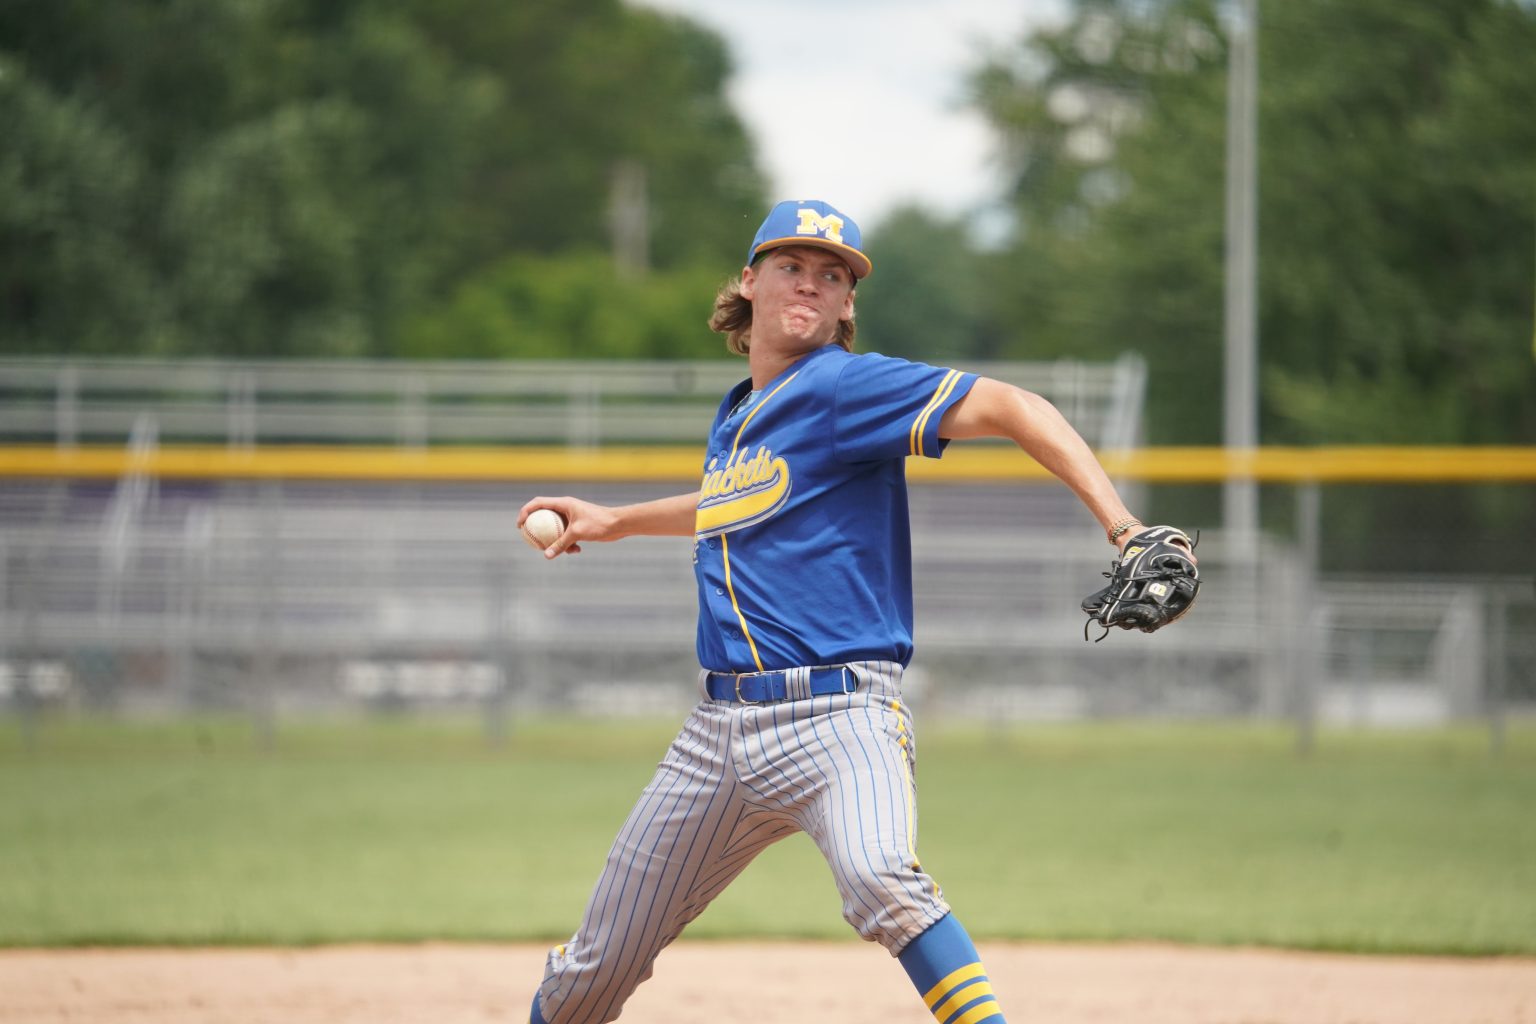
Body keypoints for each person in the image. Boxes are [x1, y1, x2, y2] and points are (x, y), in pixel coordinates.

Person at [517, 199, 1186, 1024]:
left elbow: (1017, 407)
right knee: (594, 968)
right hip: (716, 735)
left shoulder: (842, 385)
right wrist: (616, 521)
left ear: (845, 306)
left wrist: (1123, 527)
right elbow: (733, 503)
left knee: (881, 878)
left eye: (832, 275)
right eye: (793, 266)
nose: (811, 283)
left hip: (839, 719)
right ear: (750, 281)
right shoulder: (740, 413)